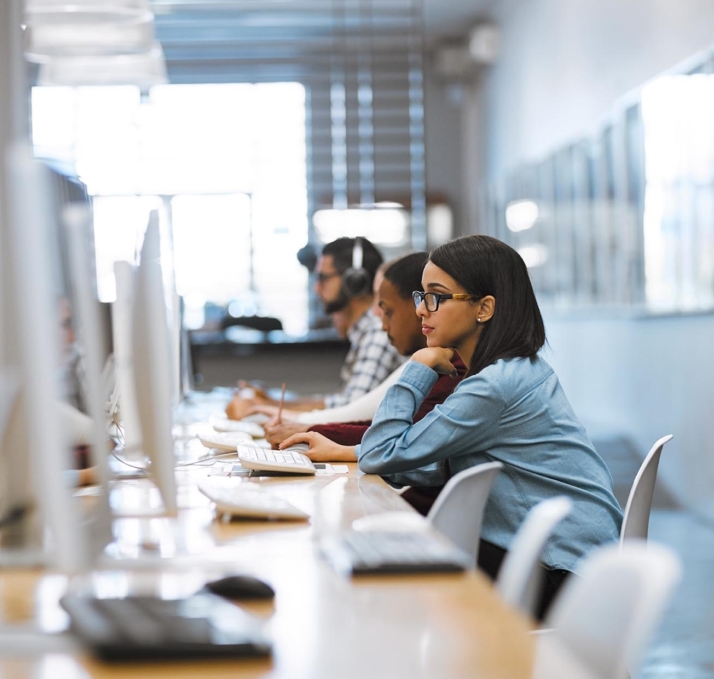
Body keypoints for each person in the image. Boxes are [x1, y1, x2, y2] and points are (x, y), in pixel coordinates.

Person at [280, 234, 624, 618]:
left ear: (484, 308)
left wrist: (418, 366)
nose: (422, 311)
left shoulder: (493, 386)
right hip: (573, 560)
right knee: (385, 559)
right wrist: (351, 452)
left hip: (560, 572)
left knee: (385, 581)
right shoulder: (509, 371)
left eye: (436, 297)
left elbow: (383, 453)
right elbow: (436, 460)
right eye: (421, 296)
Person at [264, 252, 466, 453]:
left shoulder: (457, 370)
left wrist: (313, 433)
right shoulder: (443, 361)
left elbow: (397, 442)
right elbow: (390, 433)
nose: (421, 309)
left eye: (434, 298)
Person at [226, 236, 403, 418]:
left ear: (354, 282)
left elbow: (349, 413)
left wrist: (263, 408)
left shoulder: (377, 334)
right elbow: (341, 402)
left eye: (323, 278)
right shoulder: (365, 333)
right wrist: (271, 402)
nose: (316, 288)